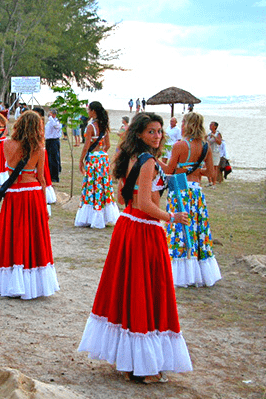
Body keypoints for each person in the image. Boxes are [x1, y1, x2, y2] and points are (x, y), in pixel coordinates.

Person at [78, 112, 193, 383]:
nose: (157, 135)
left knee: (127, 289)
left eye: (159, 131)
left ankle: (129, 361)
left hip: (127, 226)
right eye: (151, 131)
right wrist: (171, 217)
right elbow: (145, 204)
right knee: (146, 292)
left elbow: (122, 196)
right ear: (140, 134)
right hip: (143, 229)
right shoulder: (148, 162)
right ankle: (144, 368)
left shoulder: (130, 157)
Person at [0, 111, 59, 299]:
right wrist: (44, 204)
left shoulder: (6, 144)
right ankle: (29, 280)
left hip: (13, 194)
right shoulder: (39, 149)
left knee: (12, 235)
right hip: (31, 193)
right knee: (31, 237)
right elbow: (41, 178)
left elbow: (9, 169)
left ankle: (11, 278)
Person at [164, 112, 221, 287]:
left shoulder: (180, 146)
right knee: (197, 229)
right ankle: (199, 270)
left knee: (179, 230)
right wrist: (196, 170)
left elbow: (169, 170)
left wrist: (153, 160)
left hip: (180, 190)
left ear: (187, 125)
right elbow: (211, 173)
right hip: (196, 192)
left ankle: (180, 272)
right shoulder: (205, 147)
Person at [74, 101, 120, 229]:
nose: (88, 112)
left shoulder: (90, 127)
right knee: (103, 186)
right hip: (103, 159)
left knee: (92, 186)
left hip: (93, 159)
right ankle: (103, 215)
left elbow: (86, 146)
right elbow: (108, 145)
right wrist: (102, 152)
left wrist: (81, 160)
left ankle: (92, 215)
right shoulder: (103, 125)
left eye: (89, 110)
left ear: (93, 111)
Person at [45, 109, 62, 182]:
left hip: (54, 141)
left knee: (54, 158)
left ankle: (55, 176)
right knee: (49, 158)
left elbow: (55, 126)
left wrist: (51, 118)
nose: (49, 115)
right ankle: (49, 174)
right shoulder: (49, 122)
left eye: (51, 114)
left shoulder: (57, 122)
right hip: (48, 141)